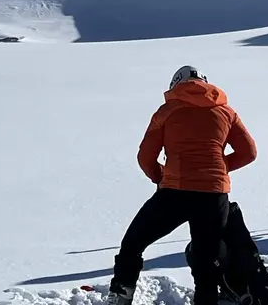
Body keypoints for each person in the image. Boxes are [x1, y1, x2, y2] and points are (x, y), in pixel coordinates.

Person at [110, 66, 259, 305]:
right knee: (206, 264)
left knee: (133, 243)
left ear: (175, 85)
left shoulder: (167, 111)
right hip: (213, 195)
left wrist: (162, 175)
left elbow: (145, 157)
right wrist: (216, 171)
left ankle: (120, 296)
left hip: (174, 192)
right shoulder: (226, 112)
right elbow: (249, 152)